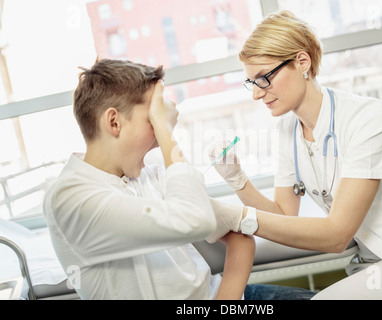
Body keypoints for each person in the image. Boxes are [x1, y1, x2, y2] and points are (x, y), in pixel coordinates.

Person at [208, 10, 382, 300]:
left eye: (264, 78)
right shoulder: (288, 130)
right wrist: (238, 181)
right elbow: (284, 216)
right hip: (376, 262)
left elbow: (337, 234)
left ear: (302, 62)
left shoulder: (367, 117)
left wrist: (238, 217)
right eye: (251, 82)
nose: (256, 94)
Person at [43, 58, 255, 300]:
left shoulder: (147, 175)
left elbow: (237, 231)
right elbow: (197, 219)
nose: (158, 140)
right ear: (114, 122)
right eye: (152, 121)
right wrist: (166, 129)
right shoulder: (70, 198)